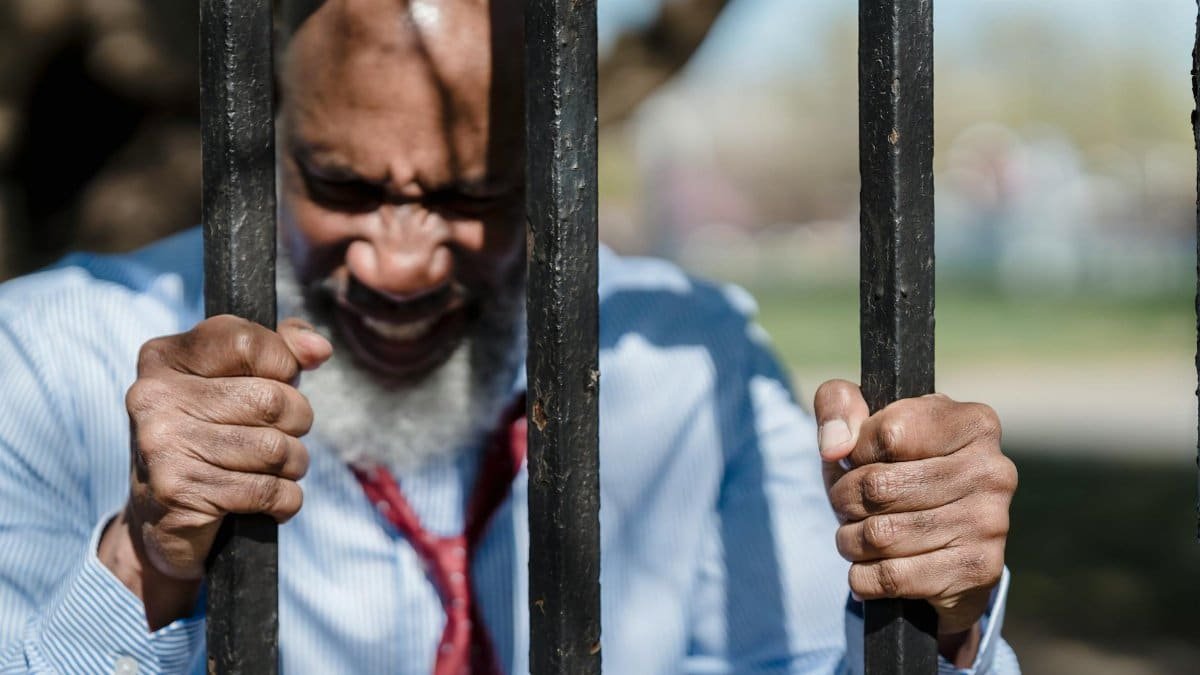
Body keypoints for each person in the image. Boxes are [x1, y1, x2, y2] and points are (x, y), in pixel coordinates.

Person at [0, 1, 1019, 672]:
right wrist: (142, 566)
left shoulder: (687, 359)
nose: (397, 265)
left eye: (473, 196)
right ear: (273, 137)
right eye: (341, 187)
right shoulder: (50, 356)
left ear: (556, 172)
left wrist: (944, 620)